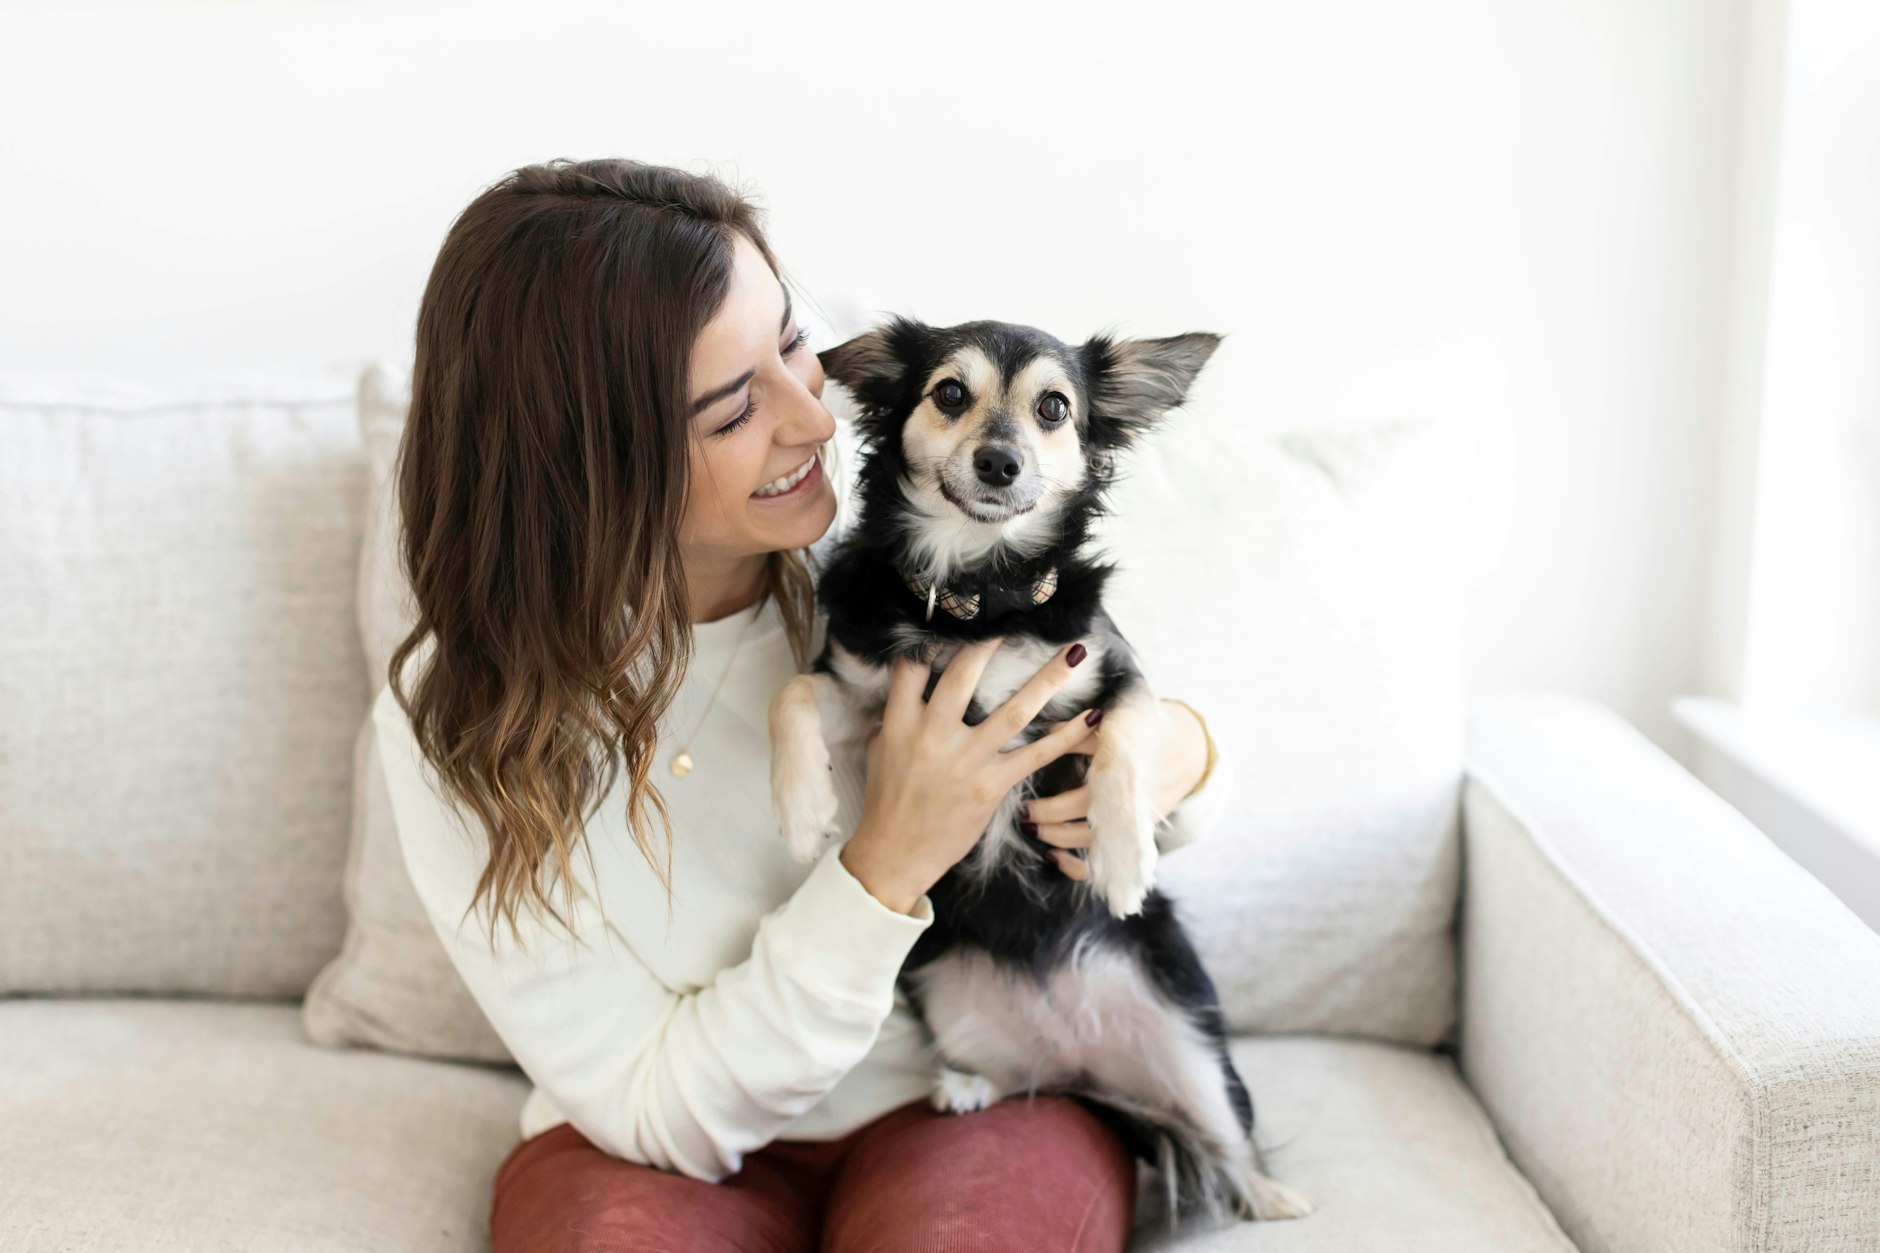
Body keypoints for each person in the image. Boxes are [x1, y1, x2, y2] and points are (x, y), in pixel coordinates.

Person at [373, 157, 1235, 1253]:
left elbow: (1117, 701)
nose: (816, 417)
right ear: (595, 470)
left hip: (972, 1088)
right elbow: (647, 1106)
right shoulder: (455, 722)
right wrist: (881, 862)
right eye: (736, 408)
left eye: (792, 342)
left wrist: (1179, 758)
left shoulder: (910, 522)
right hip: (660, 1136)